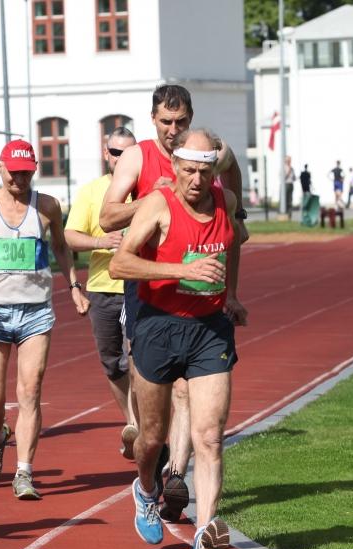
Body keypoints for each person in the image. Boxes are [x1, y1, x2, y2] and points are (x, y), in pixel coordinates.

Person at [100, 84, 248, 524]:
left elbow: (233, 202)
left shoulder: (212, 157)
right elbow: (109, 222)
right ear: (153, 120)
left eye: (181, 122)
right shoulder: (139, 158)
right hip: (153, 301)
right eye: (166, 122)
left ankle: (178, 477)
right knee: (151, 430)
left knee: (199, 412)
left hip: (204, 317)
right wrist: (156, 200)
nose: (173, 129)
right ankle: (149, 475)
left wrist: (235, 220)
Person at [0, 139, 90, 500]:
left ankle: (24, 471)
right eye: (14, 172)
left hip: (35, 313)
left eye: (26, 172)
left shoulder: (47, 207)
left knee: (30, 392)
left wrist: (73, 285)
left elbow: (60, 247)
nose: (20, 179)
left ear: (34, 169)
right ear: (1, 168)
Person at [64, 127, 139, 459]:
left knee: (137, 360)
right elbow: (69, 236)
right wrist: (101, 242)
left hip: (138, 286)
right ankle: (132, 422)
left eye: (129, 152)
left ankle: (143, 426)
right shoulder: (92, 192)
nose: (122, 158)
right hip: (101, 288)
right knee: (112, 364)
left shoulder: (145, 189)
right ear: (106, 154)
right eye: (117, 152)